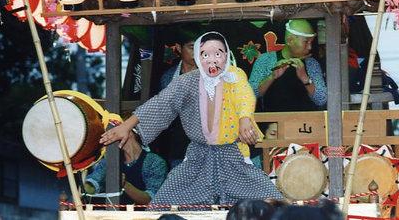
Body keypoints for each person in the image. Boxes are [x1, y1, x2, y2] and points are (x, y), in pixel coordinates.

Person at [100, 31, 284, 207]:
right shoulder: (186, 82)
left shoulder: (234, 76)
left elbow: (245, 95)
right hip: (198, 158)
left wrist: (244, 119)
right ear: (198, 56)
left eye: (217, 54)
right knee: (163, 204)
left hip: (233, 157)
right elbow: (161, 103)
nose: (211, 59)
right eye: (205, 54)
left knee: (273, 203)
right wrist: (127, 126)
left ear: (226, 55)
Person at [249, 19, 326, 112]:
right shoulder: (266, 60)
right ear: (290, 40)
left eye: (311, 42)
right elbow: (250, 95)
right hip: (273, 123)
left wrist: (305, 78)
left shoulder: (311, 64)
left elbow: (321, 99)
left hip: (305, 124)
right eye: (306, 42)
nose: (310, 47)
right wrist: (271, 77)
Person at [84, 128, 168, 204]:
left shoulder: (155, 162)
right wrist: (84, 188)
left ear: (130, 132)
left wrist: (124, 184)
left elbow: (152, 199)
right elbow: (93, 182)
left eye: (114, 132)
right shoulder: (109, 160)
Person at [155, 30, 198, 169]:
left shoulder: (211, 74)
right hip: (179, 145)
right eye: (192, 47)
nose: (197, 52)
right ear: (179, 48)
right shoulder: (168, 77)